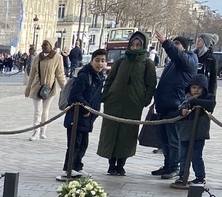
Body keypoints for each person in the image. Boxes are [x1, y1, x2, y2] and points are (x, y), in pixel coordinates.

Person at [96, 31, 156, 175]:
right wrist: (106, 95)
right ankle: (111, 163)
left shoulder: (147, 63)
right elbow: (110, 80)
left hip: (133, 105)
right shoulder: (121, 61)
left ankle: (121, 163)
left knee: (127, 134)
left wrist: (144, 100)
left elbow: (151, 84)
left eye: (138, 45)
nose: (135, 48)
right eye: (133, 44)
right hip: (114, 103)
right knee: (111, 132)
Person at [151, 31, 198, 178]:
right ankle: (167, 165)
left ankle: (175, 167)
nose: (175, 47)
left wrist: (166, 43)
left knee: (173, 139)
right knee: (164, 140)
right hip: (164, 105)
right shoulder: (173, 63)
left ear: (184, 47)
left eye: (177, 44)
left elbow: (178, 55)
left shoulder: (189, 60)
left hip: (175, 105)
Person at [55, 48, 107, 180]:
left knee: (83, 143)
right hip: (77, 115)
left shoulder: (99, 77)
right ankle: (68, 168)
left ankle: (77, 167)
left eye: (102, 61)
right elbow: (75, 95)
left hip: (88, 117)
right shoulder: (84, 75)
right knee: (74, 143)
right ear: (91, 61)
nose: (99, 64)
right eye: (97, 60)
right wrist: (87, 108)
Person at [172, 72, 215, 187]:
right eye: (194, 87)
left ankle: (200, 176)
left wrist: (194, 101)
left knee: (196, 155)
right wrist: (181, 112)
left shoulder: (208, 98)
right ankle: (182, 175)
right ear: (189, 88)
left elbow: (211, 105)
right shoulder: (185, 99)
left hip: (199, 133)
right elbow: (177, 111)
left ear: (204, 89)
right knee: (183, 155)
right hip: (185, 132)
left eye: (199, 88)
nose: (196, 90)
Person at [24, 39, 66, 140]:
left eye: (45, 45)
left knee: (45, 111)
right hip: (37, 87)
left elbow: (60, 74)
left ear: (51, 46)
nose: (43, 47)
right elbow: (32, 74)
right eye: (42, 45)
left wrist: (65, 88)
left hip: (49, 88)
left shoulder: (57, 57)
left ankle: (43, 130)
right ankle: (36, 132)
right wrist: (28, 88)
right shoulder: (38, 57)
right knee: (37, 111)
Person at [195, 33, 218, 97]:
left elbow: (213, 82)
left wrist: (212, 97)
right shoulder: (192, 55)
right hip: (191, 90)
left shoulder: (211, 59)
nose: (197, 41)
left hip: (203, 91)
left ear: (206, 43)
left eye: (200, 40)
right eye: (197, 39)